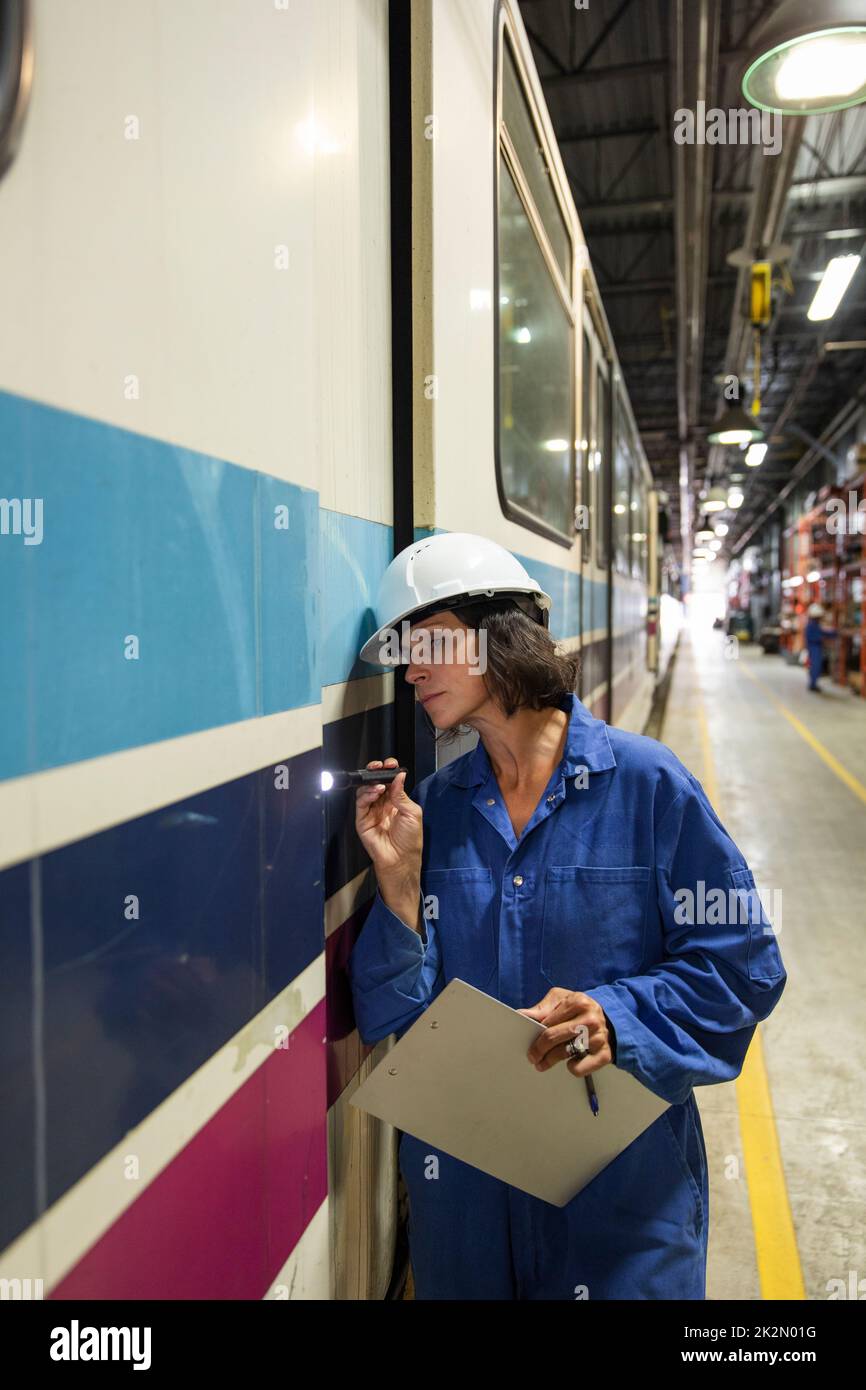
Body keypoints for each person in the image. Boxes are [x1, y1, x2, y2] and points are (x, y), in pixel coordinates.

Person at [348, 532, 787, 1301]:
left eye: (432, 642)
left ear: (504, 635)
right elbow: (394, 1015)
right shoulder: (438, 814)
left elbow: (743, 964)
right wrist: (399, 886)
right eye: (406, 651)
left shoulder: (647, 784)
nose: (412, 669)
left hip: (620, 1205)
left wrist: (621, 1018)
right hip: (470, 1207)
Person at [804, 602, 838, 692]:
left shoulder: (815, 624)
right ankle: (813, 684)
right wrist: (828, 636)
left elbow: (823, 633)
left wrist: (833, 633)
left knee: (816, 666)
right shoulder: (812, 625)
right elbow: (818, 635)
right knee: (815, 666)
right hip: (814, 647)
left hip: (816, 647)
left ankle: (813, 684)